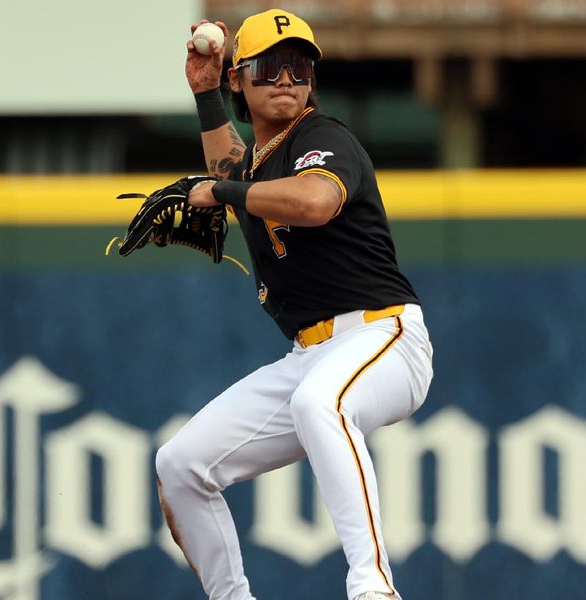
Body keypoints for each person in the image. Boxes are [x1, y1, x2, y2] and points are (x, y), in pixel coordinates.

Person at [155, 8, 434, 600]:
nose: (288, 78)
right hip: (310, 351)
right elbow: (233, 167)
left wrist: (224, 192)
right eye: (272, 65)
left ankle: (373, 587)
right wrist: (206, 96)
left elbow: (312, 203)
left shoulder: (324, 137)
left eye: (300, 66)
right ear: (240, 78)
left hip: (383, 336)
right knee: (181, 464)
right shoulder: (260, 157)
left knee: (319, 403)